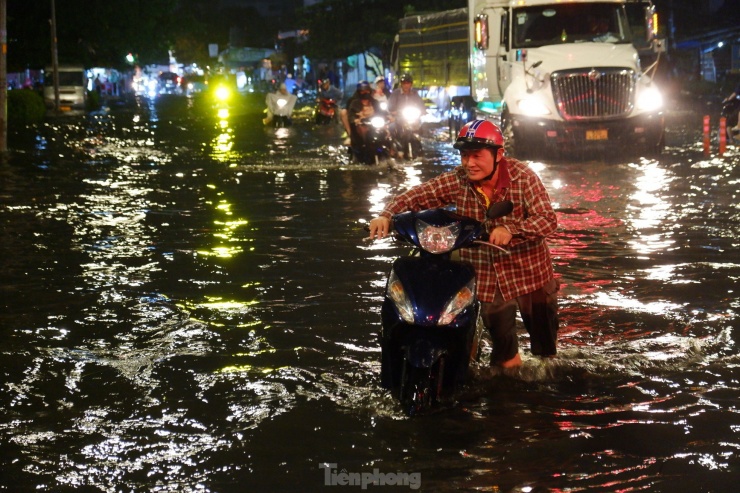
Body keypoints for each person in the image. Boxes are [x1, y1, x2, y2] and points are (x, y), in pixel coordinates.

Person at [367, 119, 560, 369]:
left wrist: (512, 230)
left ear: (498, 155)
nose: (469, 163)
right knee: (503, 352)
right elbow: (418, 195)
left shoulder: (523, 178)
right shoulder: (458, 181)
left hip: (530, 272)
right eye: (465, 155)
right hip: (488, 279)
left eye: (477, 156)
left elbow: (547, 219)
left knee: (546, 351)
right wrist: (386, 215)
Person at [387, 73, 426, 145]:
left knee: (421, 128)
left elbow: (420, 103)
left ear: (411, 84)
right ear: (401, 84)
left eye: (408, 83)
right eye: (404, 83)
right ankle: (394, 146)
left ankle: (418, 145)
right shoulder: (396, 93)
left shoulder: (415, 93)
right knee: (392, 128)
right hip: (398, 118)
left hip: (412, 118)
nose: (406, 85)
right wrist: (395, 112)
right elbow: (391, 106)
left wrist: (423, 110)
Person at [347, 81, 381, 148]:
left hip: (374, 124)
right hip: (362, 125)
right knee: (363, 130)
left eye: (367, 90)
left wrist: (389, 117)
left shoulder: (375, 102)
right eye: (362, 91)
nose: (365, 93)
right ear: (359, 92)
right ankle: (365, 146)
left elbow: (381, 112)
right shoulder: (355, 103)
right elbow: (351, 115)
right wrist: (355, 120)